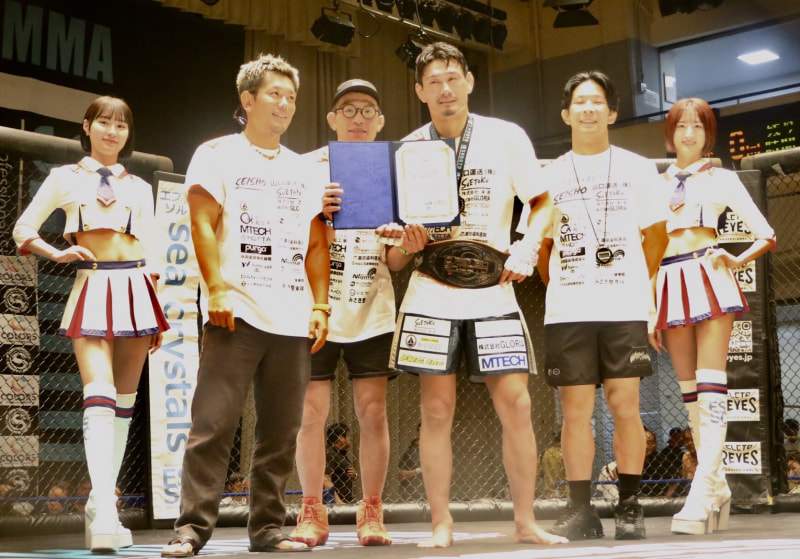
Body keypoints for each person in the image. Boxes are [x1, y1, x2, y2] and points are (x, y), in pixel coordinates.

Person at [377, 41, 566, 549]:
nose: (445, 89)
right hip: (431, 290)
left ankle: (525, 521)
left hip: (492, 289)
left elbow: (543, 201)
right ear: (419, 91)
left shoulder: (506, 136)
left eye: (452, 78)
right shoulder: (406, 150)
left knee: (518, 404)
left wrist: (528, 246)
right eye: (433, 82)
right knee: (436, 412)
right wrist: (407, 242)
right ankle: (441, 523)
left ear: (469, 82)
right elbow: (394, 257)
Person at [161, 53, 330, 557]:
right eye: (275, 94)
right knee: (213, 423)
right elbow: (202, 223)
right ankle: (191, 529)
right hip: (235, 309)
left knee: (281, 430)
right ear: (248, 100)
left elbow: (316, 243)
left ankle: (268, 529)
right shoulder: (216, 153)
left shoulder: (305, 169)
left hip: (292, 316)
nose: (284, 104)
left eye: (291, 97)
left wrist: (321, 305)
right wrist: (215, 288)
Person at [13, 96, 168, 552]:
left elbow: (153, 251)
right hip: (93, 286)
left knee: (123, 405)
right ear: (87, 126)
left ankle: (102, 506)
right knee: (98, 397)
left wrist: (158, 311)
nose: (112, 131)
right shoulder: (65, 177)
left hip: (138, 290)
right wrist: (57, 253)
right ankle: (105, 509)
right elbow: (24, 228)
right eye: (104, 122)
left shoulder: (139, 186)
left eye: (121, 125)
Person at [537, 71, 668, 541]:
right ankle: (580, 511)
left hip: (622, 307)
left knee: (624, 405)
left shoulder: (638, 168)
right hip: (568, 310)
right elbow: (543, 247)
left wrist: (629, 283)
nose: (588, 108)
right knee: (574, 411)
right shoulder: (548, 175)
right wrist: (567, 285)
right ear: (566, 114)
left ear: (611, 113)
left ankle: (629, 506)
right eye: (580, 102)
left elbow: (656, 237)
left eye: (597, 101)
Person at [651, 97, 776, 535]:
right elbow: (649, 250)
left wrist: (736, 259)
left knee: (710, 388)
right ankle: (718, 485)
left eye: (698, 126)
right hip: (669, 283)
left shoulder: (722, 178)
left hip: (710, 278)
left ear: (708, 134)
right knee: (690, 397)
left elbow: (766, 234)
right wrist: (650, 310)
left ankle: (702, 489)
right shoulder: (655, 184)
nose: (689, 134)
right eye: (681, 126)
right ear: (670, 133)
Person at [291, 79, 394, 548]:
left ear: (380, 121)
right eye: (348, 109)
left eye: (367, 110)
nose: (358, 118)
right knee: (311, 413)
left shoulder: (394, 169)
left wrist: (406, 241)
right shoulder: (304, 168)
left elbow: (397, 260)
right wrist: (316, 216)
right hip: (316, 305)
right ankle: (312, 508)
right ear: (332, 119)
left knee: (372, 411)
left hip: (372, 305)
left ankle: (371, 509)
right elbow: (291, 237)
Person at [324, 423, 357, 504]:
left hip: (344, 500)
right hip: (334, 503)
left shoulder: (340, 454)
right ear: (341, 438)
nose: (349, 439)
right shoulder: (330, 453)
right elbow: (326, 479)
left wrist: (354, 474)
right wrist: (338, 502)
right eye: (348, 436)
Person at [651, 427, 685, 497]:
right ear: (675, 437)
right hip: (669, 483)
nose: (683, 440)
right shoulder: (671, 452)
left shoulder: (667, 451)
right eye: (681, 437)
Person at [397, 423, 424, 501]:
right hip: (414, 496)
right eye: (420, 431)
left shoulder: (438, 451)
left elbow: (451, 472)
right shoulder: (411, 453)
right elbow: (401, 475)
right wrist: (418, 471)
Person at [536, 430, 566, 499]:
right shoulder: (568, 454)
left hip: (549, 494)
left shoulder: (545, 453)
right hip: (566, 495)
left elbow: (537, 474)